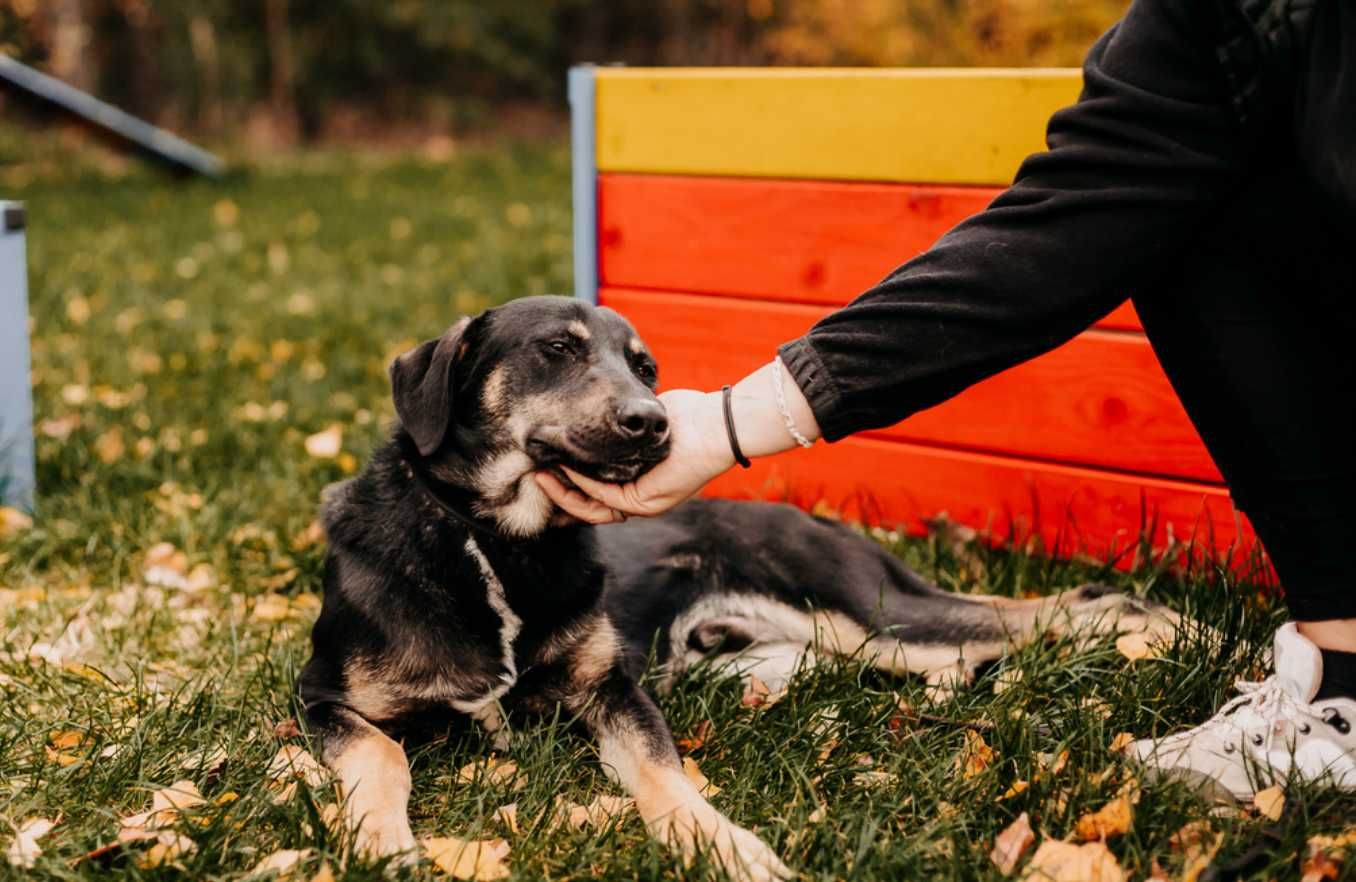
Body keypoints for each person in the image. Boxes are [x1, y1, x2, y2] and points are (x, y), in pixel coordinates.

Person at [536, 0, 1356, 798]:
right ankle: (1342, 679)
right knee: (1192, 206)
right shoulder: (1215, 28)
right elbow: (1071, 219)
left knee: (907, 623)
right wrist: (724, 424)